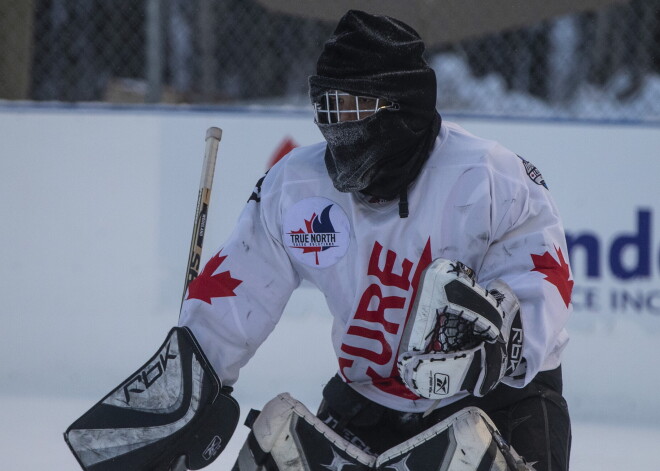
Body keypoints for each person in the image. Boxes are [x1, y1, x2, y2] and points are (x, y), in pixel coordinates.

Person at [65, 9, 572, 471]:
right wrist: (189, 389)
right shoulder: (298, 186)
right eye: (329, 106)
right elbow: (236, 292)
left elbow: (542, 278)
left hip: (496, 398)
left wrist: (505, 336)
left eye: (355, 105)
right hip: (369, 398)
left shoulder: (488, 175)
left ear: (404, 105)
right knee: (273, 449)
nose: (339, 124)